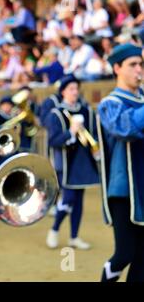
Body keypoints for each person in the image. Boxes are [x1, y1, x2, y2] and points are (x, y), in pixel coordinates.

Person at [97, 43, 144, 282]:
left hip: (143, 187)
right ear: (117, 68)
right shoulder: (109, 103)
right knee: (125, 253)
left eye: (141, 64)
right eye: (132, 65)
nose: (139, 70)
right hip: (124, 191)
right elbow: (125, 127)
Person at [45, 74, 100, 250]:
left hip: (82, 162)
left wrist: (96, 149)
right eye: (71, 89)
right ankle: (54, 230)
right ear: (63, 92)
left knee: (79, 201)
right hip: (66, 163)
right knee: (68, 199)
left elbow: (94, 135)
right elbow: (53, 140)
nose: (75, 92)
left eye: (76, 89)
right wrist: (71, 132)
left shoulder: (86, 110)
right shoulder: (57, 113)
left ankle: (74, 237)